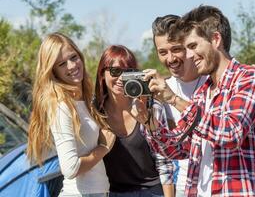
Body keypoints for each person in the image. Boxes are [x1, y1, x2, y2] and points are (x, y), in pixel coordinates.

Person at [143, 5, 255, 196]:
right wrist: (150, 124)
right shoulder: (202, 93)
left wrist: (174, 99)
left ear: (215, 39)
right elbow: (179, 149)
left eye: (193, 46)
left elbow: (231, 133)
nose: (188, 55)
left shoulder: (248, 77)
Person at [27, 32, 115, 197]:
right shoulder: (61, 106)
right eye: (62, 64)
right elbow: (70, 169)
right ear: (53, 72)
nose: (72, 66)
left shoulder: (84, 100)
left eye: (73, 57)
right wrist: (103, 148)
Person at [94, 45, 174, 197]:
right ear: (102, 74)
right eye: (115, 71)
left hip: (152, 191)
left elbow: (164, 161)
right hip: (112, 192)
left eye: (128, 72)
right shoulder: (95, 112)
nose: (121, 78)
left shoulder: (150, 106)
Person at [152, 14, 206, 197]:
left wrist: (174, 99)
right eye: (162, 52)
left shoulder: (211, 81)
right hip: (185, 185)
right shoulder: (162, 90)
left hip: (220, 185)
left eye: (176, 49)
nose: (170, 59)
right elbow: (165, 152)